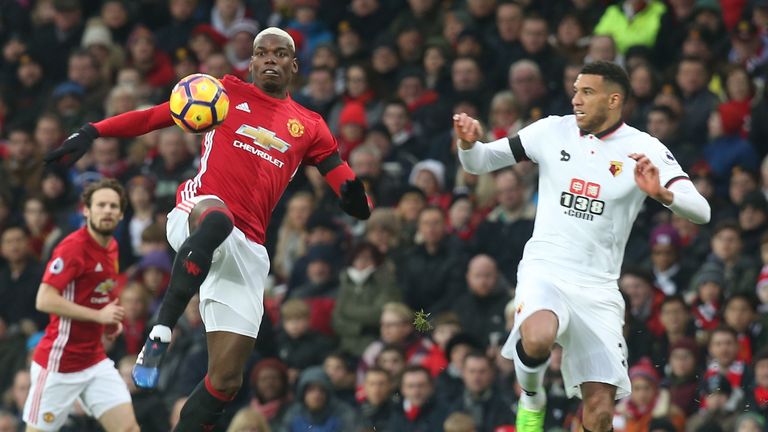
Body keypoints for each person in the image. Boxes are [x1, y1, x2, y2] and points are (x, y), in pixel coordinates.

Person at [44, 27, 371, 431]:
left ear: (294, 64)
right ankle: (161, 331)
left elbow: (346, 184)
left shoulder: (311, 125)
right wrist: (94, 130)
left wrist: (359, 203)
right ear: (250, 63)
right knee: (218, 219)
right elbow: (151, 117)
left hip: (248, 249)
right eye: (261, 52)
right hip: (198, 211)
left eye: (280, 53)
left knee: (226, 381)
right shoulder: (221, 92)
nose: (270, 59)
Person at [453, 60, 711, 432]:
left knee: (601, 413)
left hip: (599, 288)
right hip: (547, 268)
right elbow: (479, 162)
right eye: (575, 89)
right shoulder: (550, 131)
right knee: (538, 336)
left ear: (613, 99)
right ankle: (531, 396)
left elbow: (701, 211)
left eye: (586, 91)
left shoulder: (643, 147)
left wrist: (664, 194)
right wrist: (467, 142)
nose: (575, 98)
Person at [22, 178, 140, 432]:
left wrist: (109, 321)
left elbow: (100, 290)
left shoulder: (113, 247)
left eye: (113, 206)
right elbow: (44, 299)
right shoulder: (72, 248)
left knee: (128, 428)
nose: (107, 210)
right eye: (100, 205)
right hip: (58, 364)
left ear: (120, 214)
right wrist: (98, 316)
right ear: (86, 210)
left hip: (94, 360)